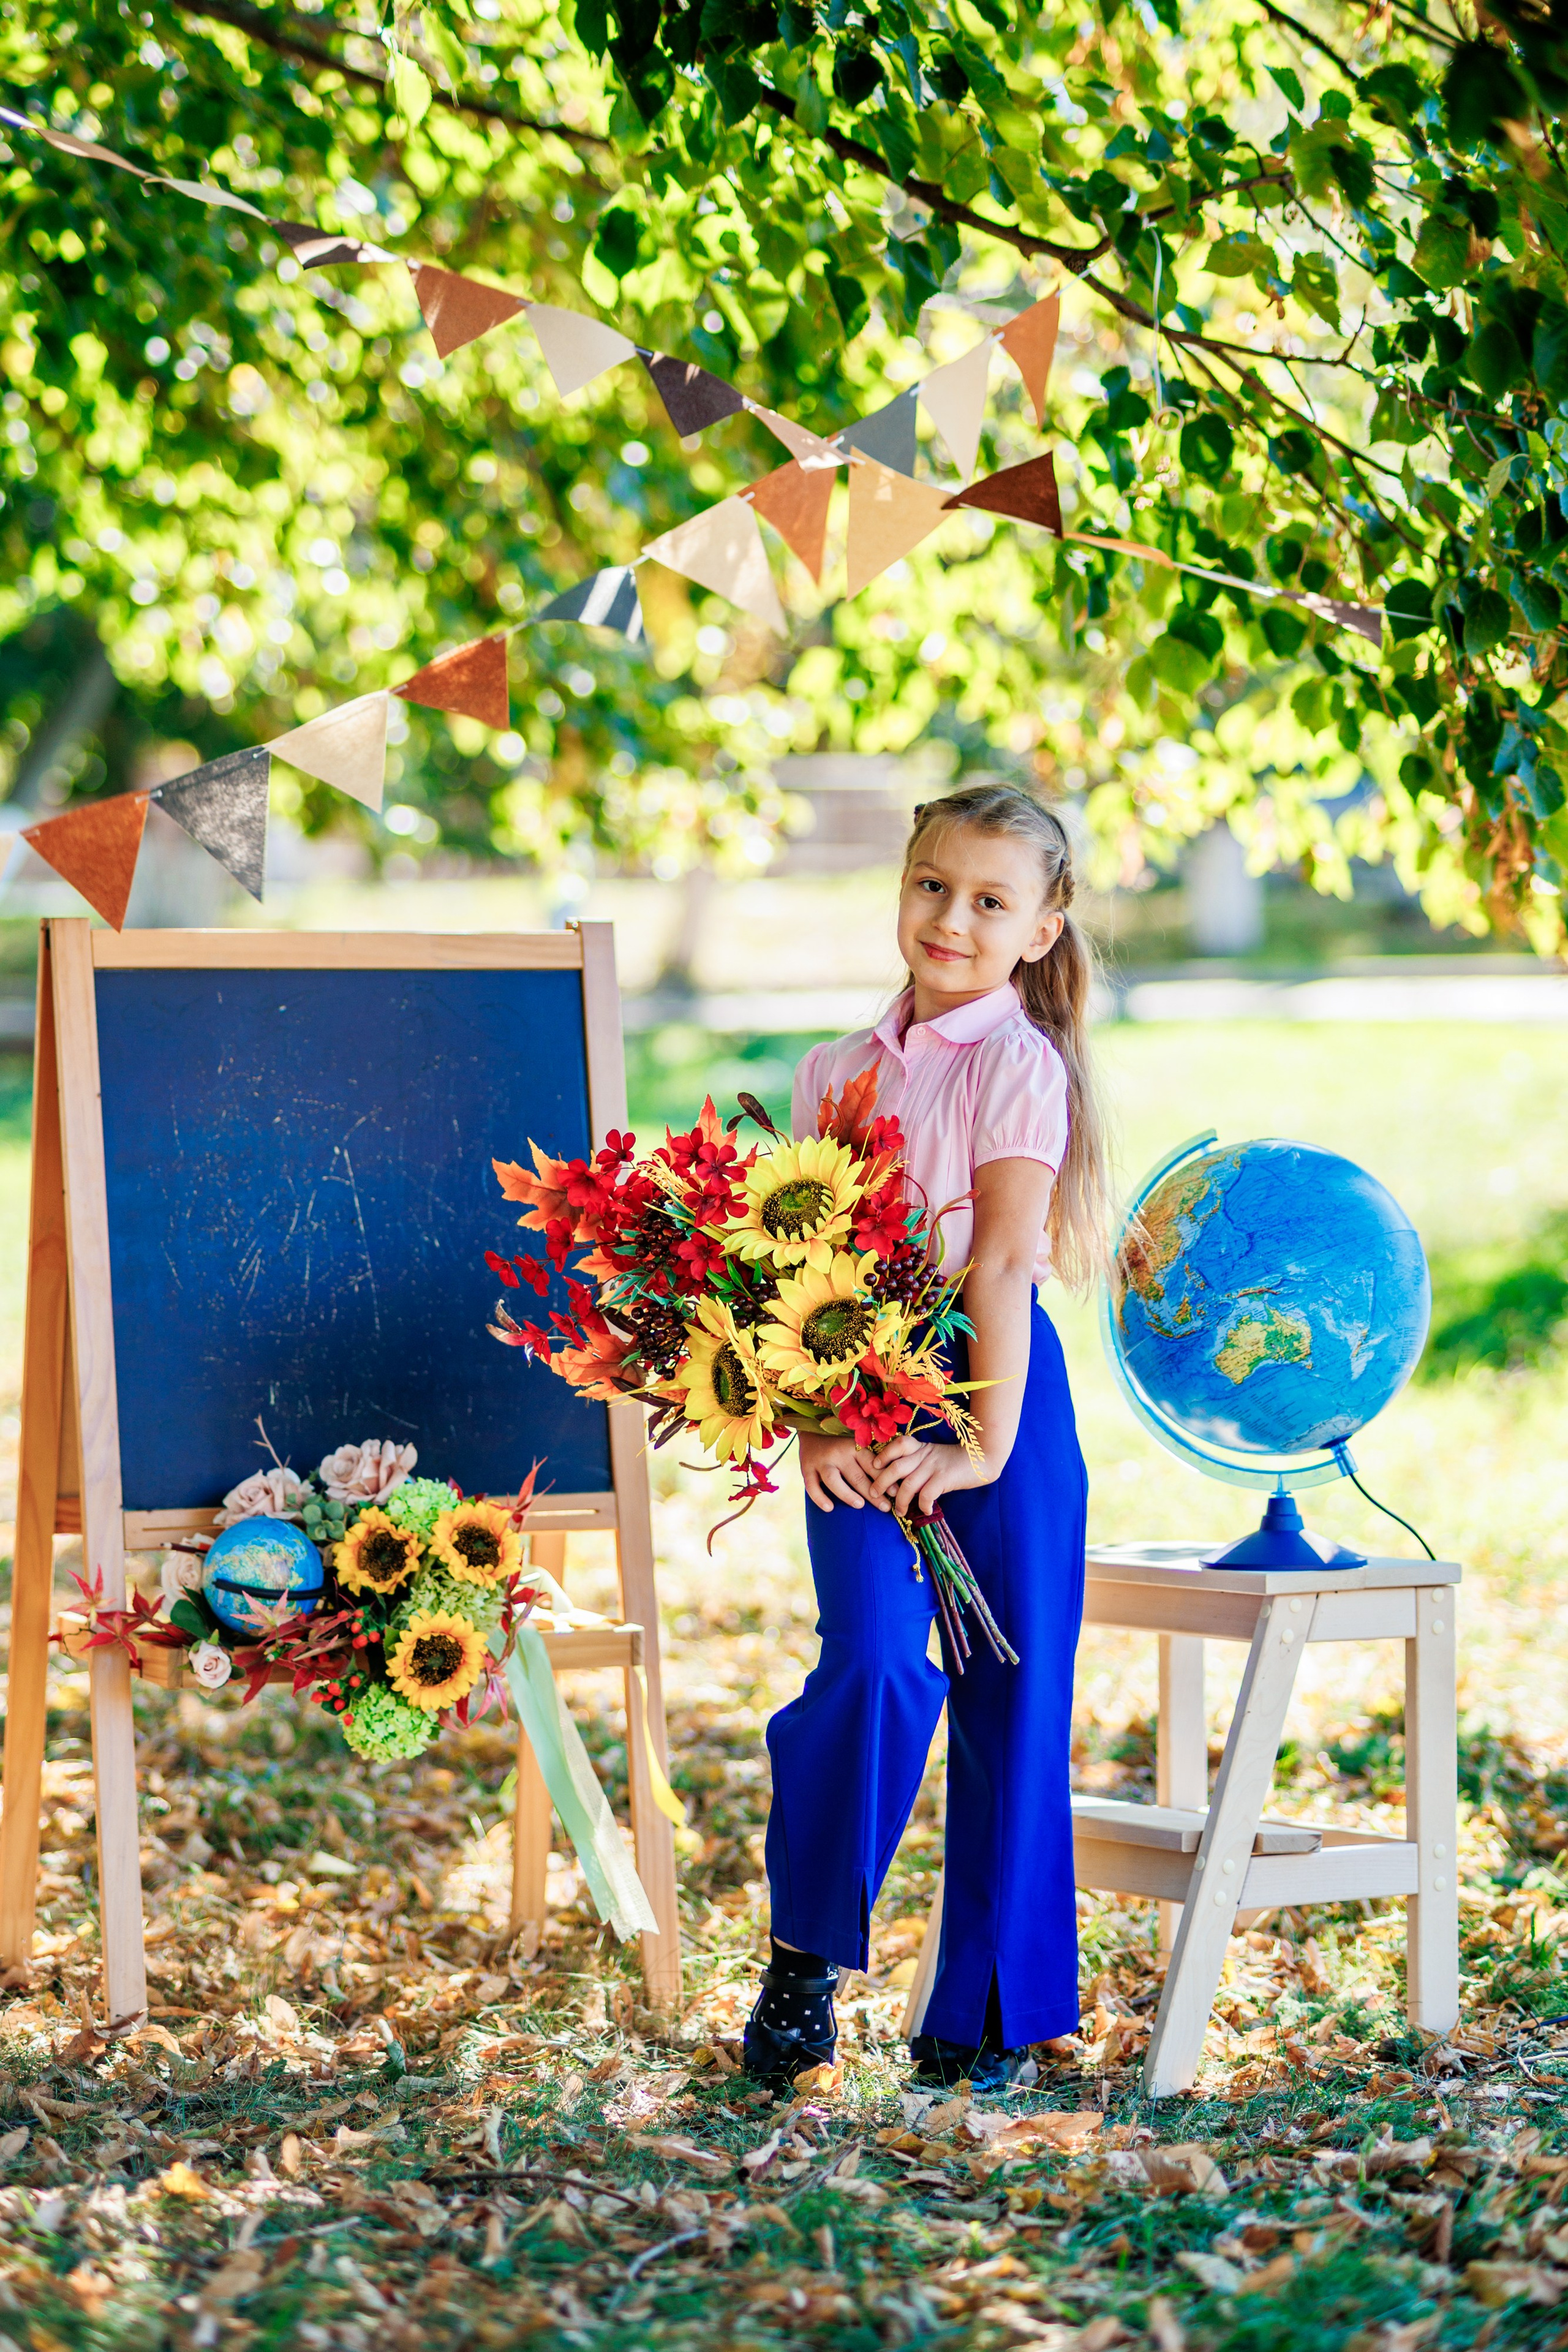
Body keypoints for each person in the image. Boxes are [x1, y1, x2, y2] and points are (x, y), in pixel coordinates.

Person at [744, 781, 1110, 2092]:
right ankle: (801, 1960)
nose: (951, 918)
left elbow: (1003, 1262)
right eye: (930, 886)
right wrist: (811, 1425)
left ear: (1041, 928)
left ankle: (987, 2020)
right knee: (881, 1663)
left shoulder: (1020, 1062)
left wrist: (985, 1449)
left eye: (990, 901)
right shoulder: (832, 1071)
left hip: (994, 1390)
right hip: (854, 1388)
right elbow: (790, 1266)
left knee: (1010, 1693)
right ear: (900, 885)